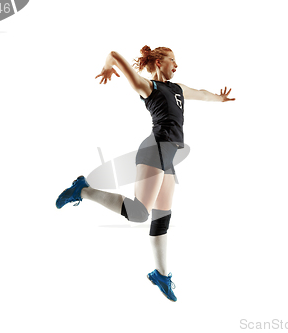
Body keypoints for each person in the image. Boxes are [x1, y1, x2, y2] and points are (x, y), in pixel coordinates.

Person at [56, 45, 235, 302]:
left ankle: (161, 274)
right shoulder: (147, 87)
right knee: (139, 213)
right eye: (172, 60)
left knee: (162, 218)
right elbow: (115, 55)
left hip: (169, 155)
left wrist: (221, 98)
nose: (176, 65)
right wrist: (108, 66)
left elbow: (203, 95)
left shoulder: (178, 89)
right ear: (159, 61)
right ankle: (82, 190)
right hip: (155, 150)